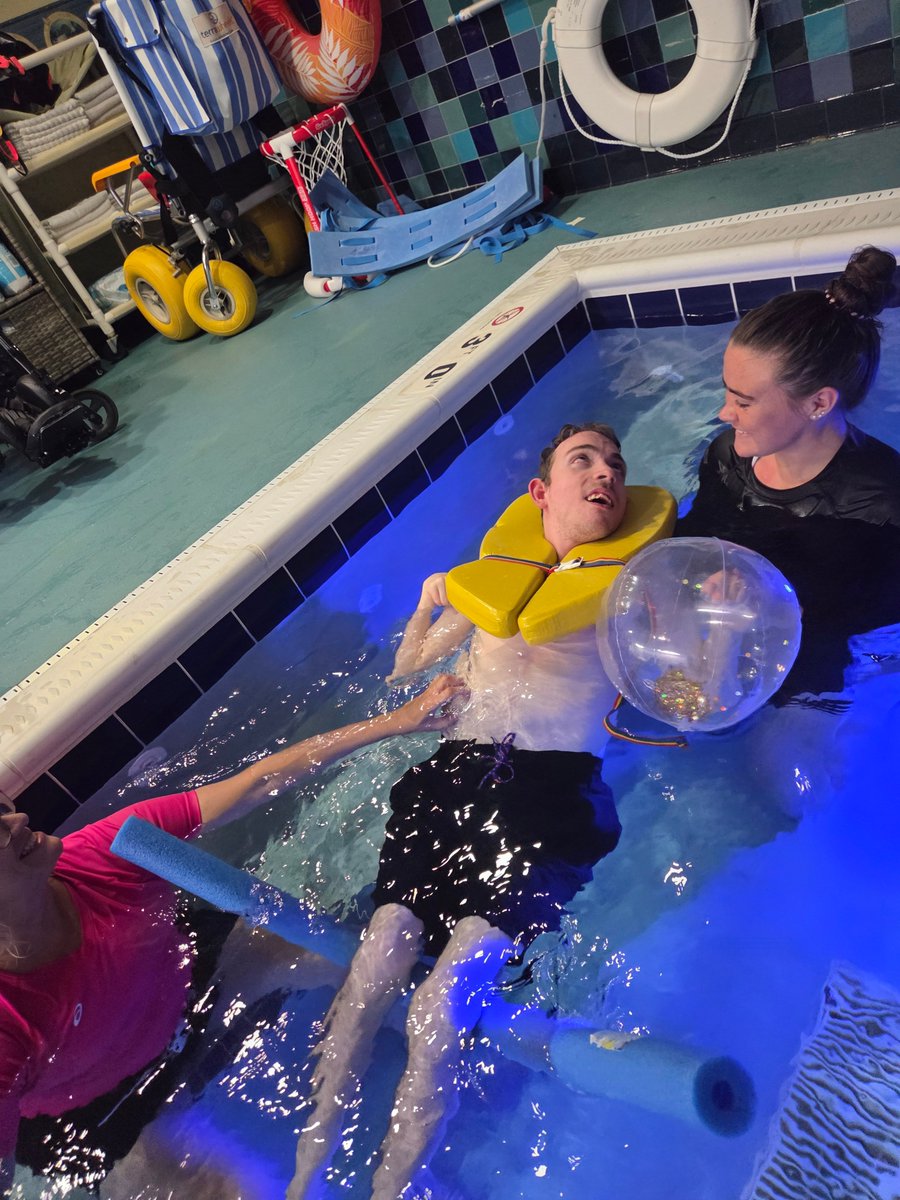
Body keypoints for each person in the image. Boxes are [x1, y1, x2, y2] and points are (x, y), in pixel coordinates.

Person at [290, 423, 628, 1200]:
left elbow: (685, 686)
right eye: (584, 461)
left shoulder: (627, 593)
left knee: (440, 1009)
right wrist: (426, 603)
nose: (606, 473)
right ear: (541, 493)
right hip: (456, 776)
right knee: (376, 958)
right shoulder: (495, 585)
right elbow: (406, 668)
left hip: (553, 795)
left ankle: (393, 1189)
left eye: (615, 464)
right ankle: (303, 1179)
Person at [0, 672, 465, 1196]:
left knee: (371, 954)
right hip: (109, 1108)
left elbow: (258, 782)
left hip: (193, 974)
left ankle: (447, 1028)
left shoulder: (102, 852)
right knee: (242, 1188)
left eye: (1, 808)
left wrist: (398, 720)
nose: (18, 819)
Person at [677, 245, 900, 705]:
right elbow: (695, 544)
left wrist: (780, 609)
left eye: (744, 402)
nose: (724, 413)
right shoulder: (726, 458)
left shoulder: (883, 507)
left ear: (819, 403)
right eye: (728, 393)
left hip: (821, 684)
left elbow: (880, 640)